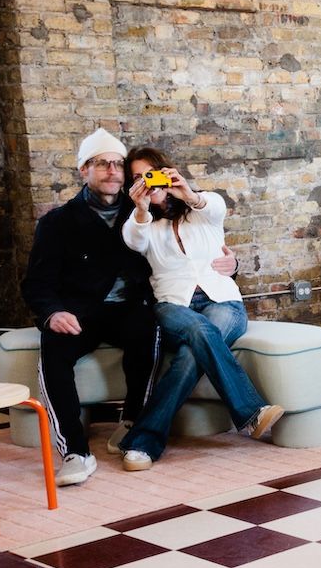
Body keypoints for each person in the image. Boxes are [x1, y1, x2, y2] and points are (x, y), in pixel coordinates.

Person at [115, 147, 281, 470]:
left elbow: (216, 206)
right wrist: (141, 208)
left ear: (166, 172)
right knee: (198, 329)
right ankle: (251, 411)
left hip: (222, 301)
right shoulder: (140, 223)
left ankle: (141, 443)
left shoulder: (202, 209)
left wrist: (187, 193)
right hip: (173, 306)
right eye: (138, 178)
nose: (148, 182)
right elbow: (134, 240)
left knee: (191, 354)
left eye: (152, 174)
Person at [21, 129, 163, 486]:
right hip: (79, 311)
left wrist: (230, 264)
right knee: (53, 347)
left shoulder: (144, 211)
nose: (112, 171)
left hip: (130, 307)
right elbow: (36, 283)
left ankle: (132, 421)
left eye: (117, 164)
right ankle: (75, 451)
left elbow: (192, 244)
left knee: (148, 327)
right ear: (83, 170)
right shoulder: (57, 222)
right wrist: (53, 313)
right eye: (102, 164)